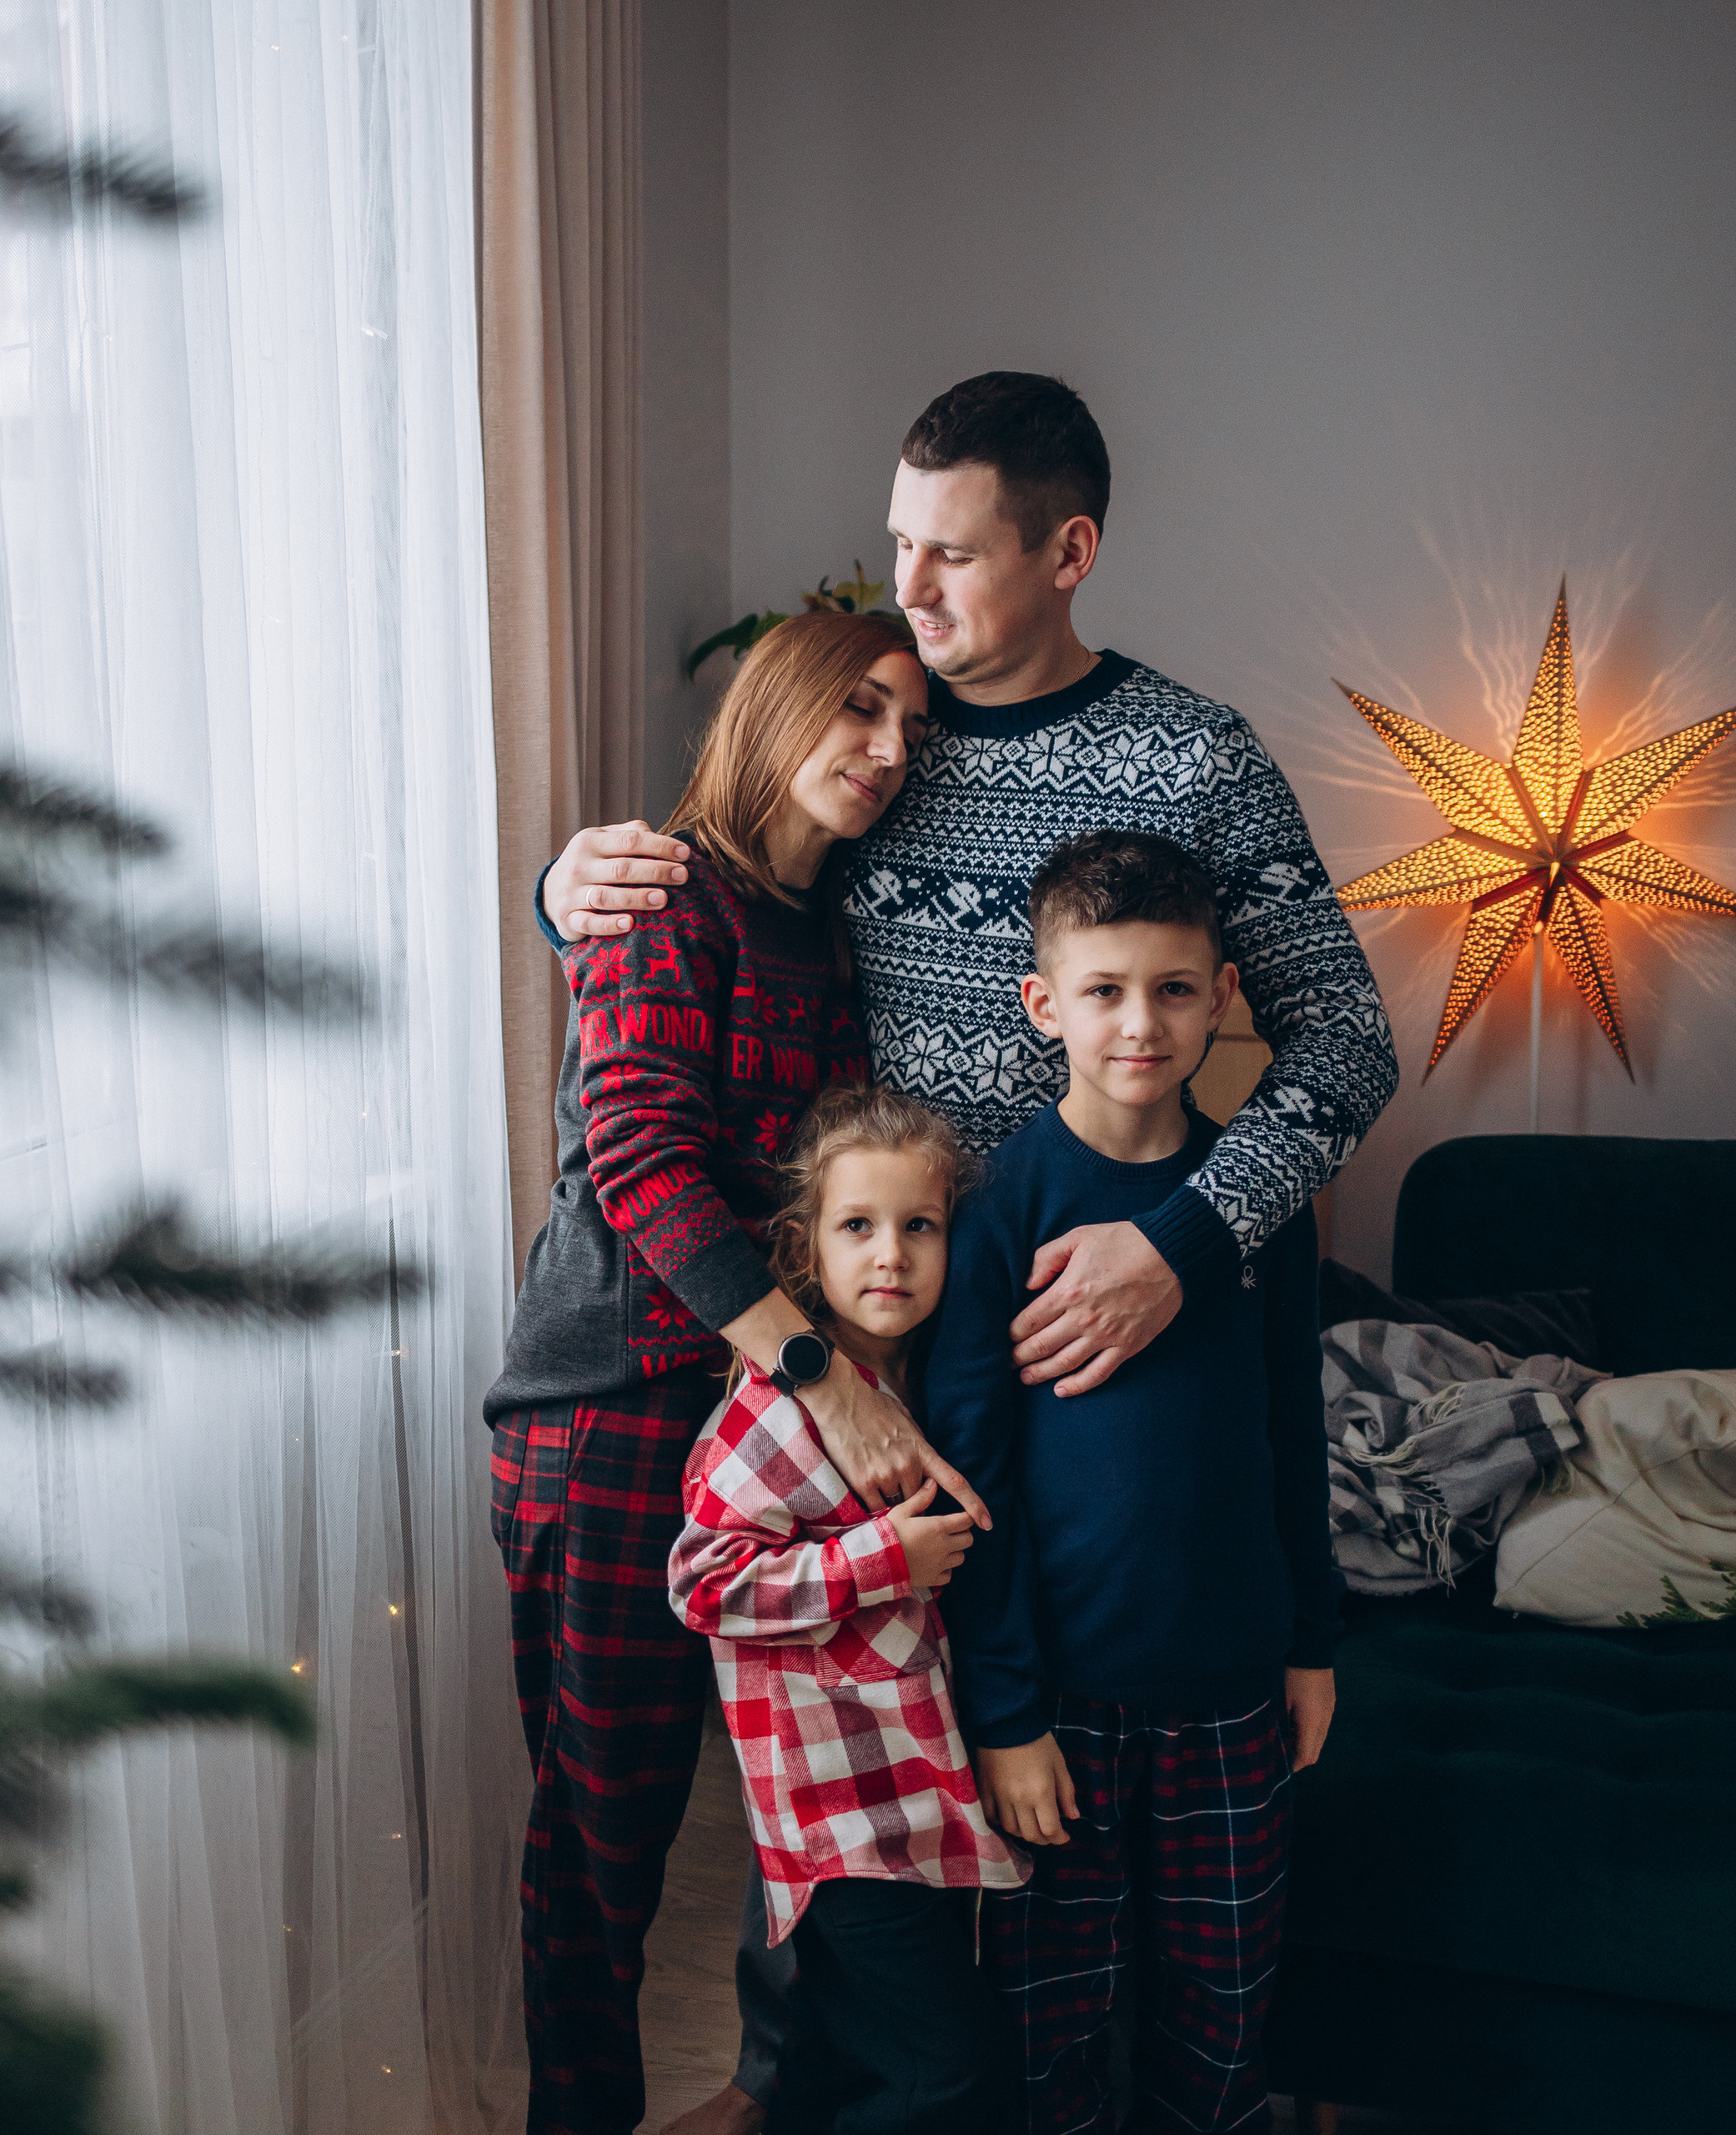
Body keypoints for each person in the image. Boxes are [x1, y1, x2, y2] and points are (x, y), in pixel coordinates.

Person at [540, 371, 1394, 2135]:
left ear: (1066, 550)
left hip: (1087, 1350)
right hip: (846, 1338)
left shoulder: (1188, 758)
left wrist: (1179, 1240)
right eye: (895, 550)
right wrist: (567, 886)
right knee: (832, 1843)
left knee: (1004, 1837)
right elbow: (712, 908)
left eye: (950, 556)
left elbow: (1343, 1047)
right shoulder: (875, 748)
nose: (905, 596)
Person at [483, 611, 953, 2135]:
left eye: (911, 727)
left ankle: (774, 2096)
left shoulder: (833, 930)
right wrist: (826, 1382)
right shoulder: (659, 895)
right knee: (603, 1839)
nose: (889, 750)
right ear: (773, 708)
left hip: (753, 1420)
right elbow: (640, 1164)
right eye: (860, 709)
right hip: (613, 1407)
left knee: (795, 1795)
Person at [925, 830, 1341, 2133]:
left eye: (1172, 990)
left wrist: (1313, 1644)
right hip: (1064, 1701)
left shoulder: (1256, 1202)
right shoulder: (996, 1206)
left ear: (1223, 995)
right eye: (1104, 991)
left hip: (1229, 1693)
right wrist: (1002, 1714)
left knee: (1222, 2033)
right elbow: (969, 1479)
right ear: (1046, 1005)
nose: (1141, 1024)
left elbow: (1293, 1433)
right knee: (1050, 2033)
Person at [668, 1082, 1028, 2133]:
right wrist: (880, 1558)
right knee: (942, 2066)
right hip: (836, 1813)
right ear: (802, 1248)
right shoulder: (773, 1413)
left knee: (845, 2052)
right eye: (858, 1227)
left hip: (905, 1788)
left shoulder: (923, 1384)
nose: (891, 1256)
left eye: (920, 1227)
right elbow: (701, 1582)